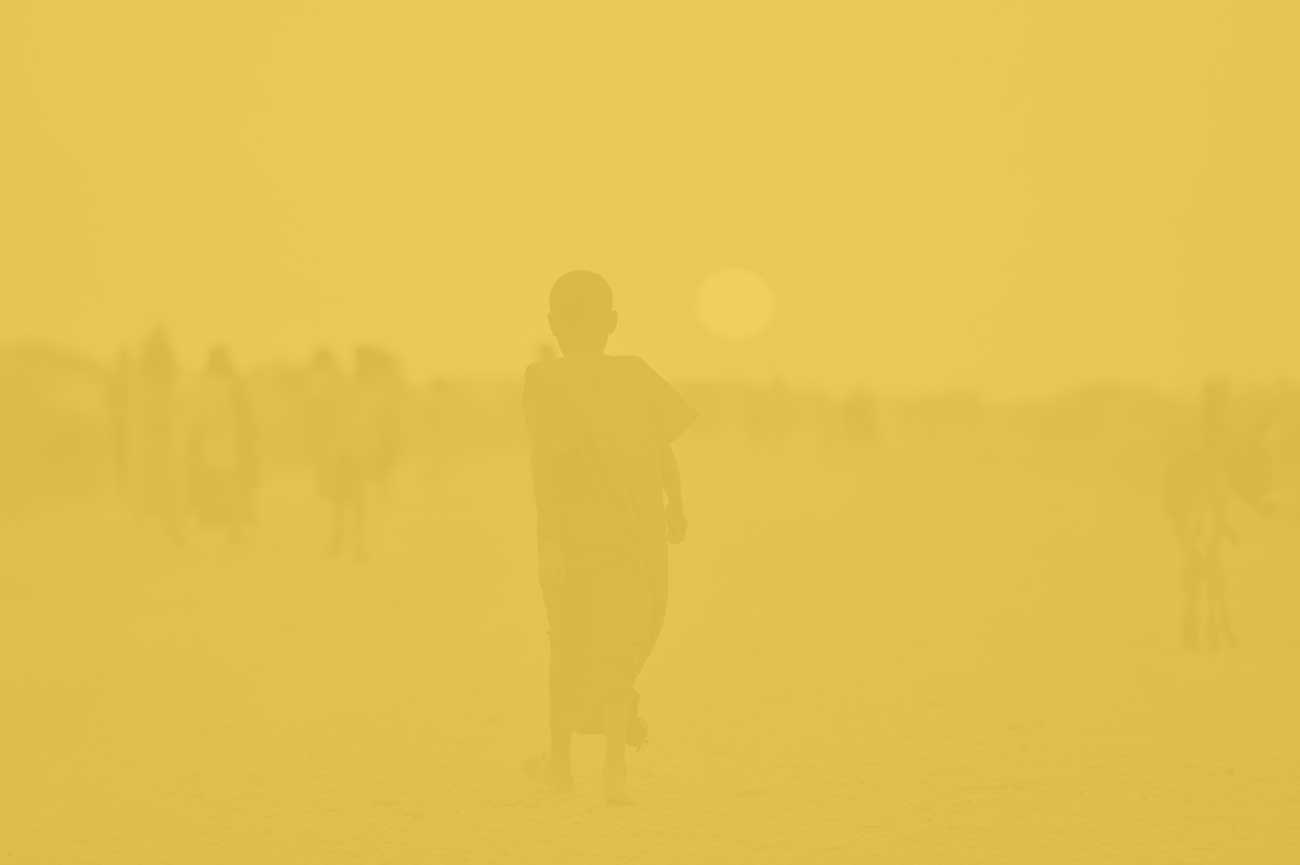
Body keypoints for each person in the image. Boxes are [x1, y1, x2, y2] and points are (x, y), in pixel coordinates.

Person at [524, 270, 694, 804]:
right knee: (620, 649)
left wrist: (549, 541)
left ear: (552, 324)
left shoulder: (542, 380)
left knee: (566, 649)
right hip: (632, 542)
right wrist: (676, 503)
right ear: (613, 322)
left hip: (570, 541)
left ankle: (560, 766)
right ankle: (614, 770)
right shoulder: (636, 375)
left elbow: (544, 468)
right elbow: (662, 447)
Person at [186, 347, 258, 543]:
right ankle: (233, 527)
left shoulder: (205, 386)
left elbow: (198, 417)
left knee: (212, 483)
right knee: (229, 485)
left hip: (212, 442)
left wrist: (194, 440)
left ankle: (217, 522)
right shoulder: (233, 385)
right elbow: (244, 416)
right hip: (228, 442)